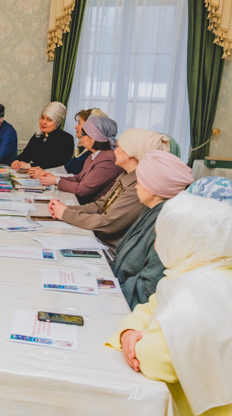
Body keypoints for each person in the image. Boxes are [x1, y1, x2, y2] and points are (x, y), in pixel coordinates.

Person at [104, 193, 232, 416]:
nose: (159, 242)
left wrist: (133, 337)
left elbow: (153, 360)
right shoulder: (210, 272)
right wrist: (131, 332)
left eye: (163, 234)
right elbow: (150, 307)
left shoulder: (196, 291)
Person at [48, 128, 171, 255]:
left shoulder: (139, 187)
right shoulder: (126, 174)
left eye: (118, 147)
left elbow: (107, 223)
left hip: (110, 250)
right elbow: (101, 205)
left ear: (130, 153)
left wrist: (66, 214)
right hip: (99, 240)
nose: (114, 151)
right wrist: (65, 209)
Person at [111, 150, 193, 310]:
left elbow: (149, 287)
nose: (136, 186)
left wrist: (110, 293)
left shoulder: (168, 223)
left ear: (153, 187)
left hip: (131, 308)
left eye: (140, 181)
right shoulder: (151, 209)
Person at [34, 115, 123, 205]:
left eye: (83, 134)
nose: (81, 136)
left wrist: (56, 180)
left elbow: (82, 189)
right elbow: (78, 178)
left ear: (93, 137)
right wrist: (54, 178)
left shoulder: (108, 160)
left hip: (92, 207)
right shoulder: (94, 155)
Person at [10, 101, 74, 170]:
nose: (43, 122)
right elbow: (26, 155)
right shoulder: (37, 136)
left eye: (49, 120)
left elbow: (58, 164)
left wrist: (31, 166)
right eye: (42, 118)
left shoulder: (66, 139)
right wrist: (16, 161)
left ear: (57, 122)